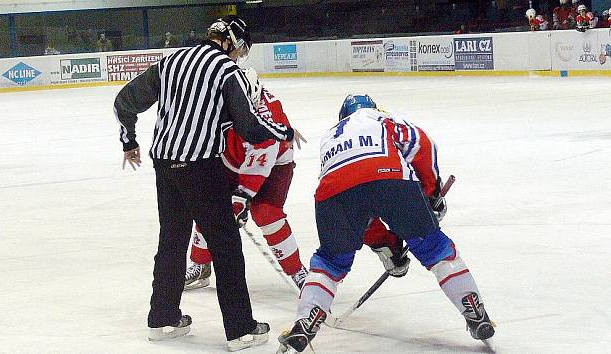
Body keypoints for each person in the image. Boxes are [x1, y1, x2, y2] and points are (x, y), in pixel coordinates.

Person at [114, 15, 303, 351]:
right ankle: (241, 329)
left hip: (164, 164)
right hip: (201, 166)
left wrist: (129, 142)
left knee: (172, 240)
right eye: (240, 47)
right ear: (230, 40)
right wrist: (283, 132)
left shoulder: (170, 61)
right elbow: (247, 126)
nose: (238, 54)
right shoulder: (226, 70)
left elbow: (124, 101)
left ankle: (162, 319)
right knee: (226, 245)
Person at [277, 95, 495, 353]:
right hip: (390, 179)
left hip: (333, 193)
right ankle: (473, 309)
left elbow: (361, 213)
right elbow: (422, 144)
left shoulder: (330, 136)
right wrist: (431, 192)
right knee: (435, 249)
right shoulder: (381, 117)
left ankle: (306, 322)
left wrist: (388, 247)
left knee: (330, 262)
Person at [184, 68, 308, 291]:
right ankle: (200, 264)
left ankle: (296, 269)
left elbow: (259, 163)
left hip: (275, 164)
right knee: (210, 206)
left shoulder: (267, 118)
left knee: (267, 214)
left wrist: (241, 199)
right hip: (232, 158)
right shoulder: (218, 98)